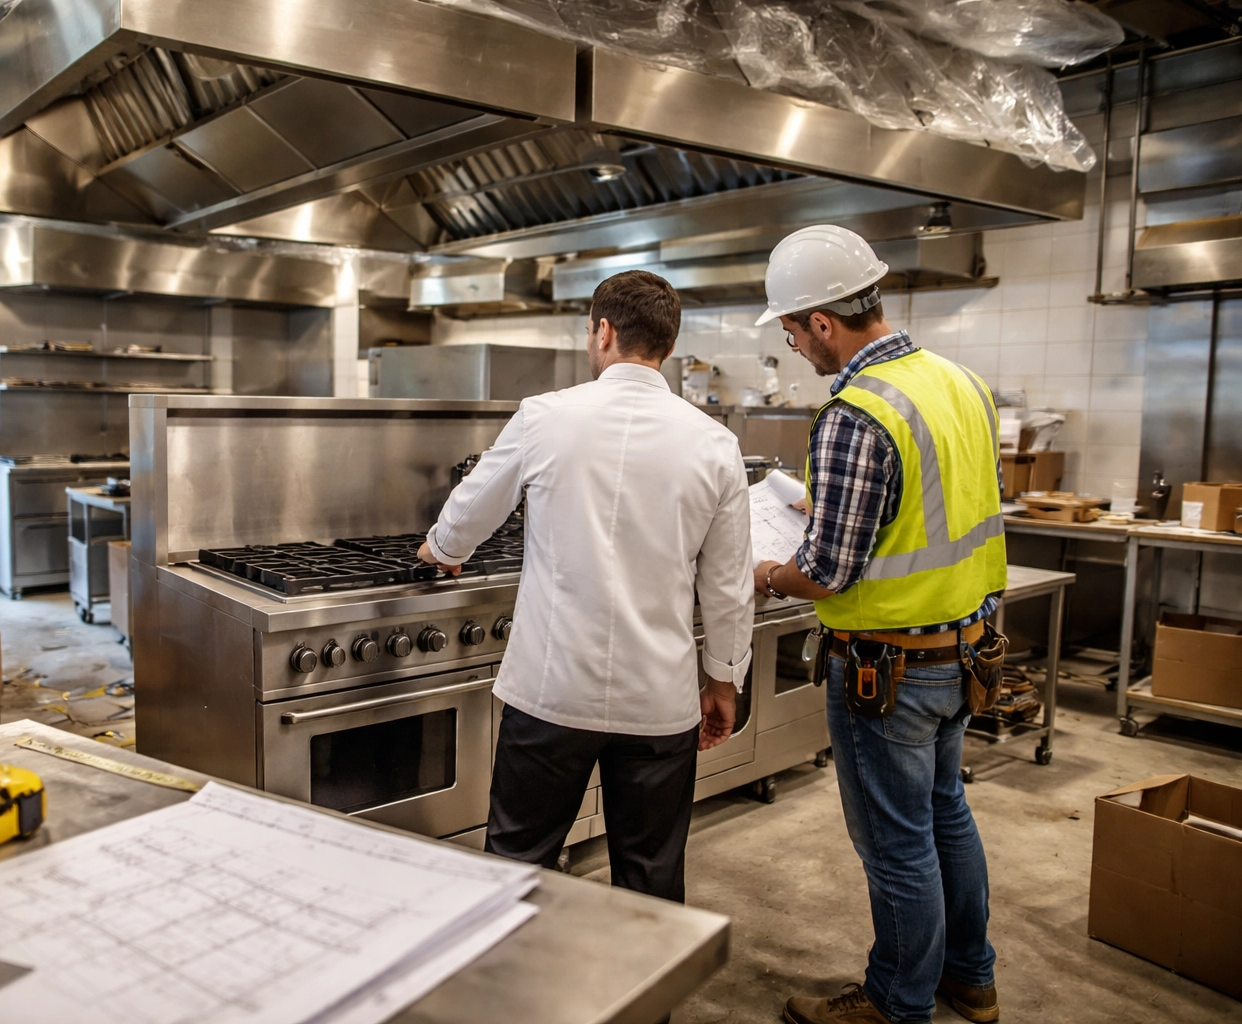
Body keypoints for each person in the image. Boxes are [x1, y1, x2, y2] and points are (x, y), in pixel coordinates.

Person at [417, 269, 755, 906]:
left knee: (518, 865)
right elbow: (730, 587)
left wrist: (442, 549)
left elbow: (468, 513)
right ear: (669, 346)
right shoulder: (716, 444)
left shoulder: (545, 416)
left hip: (551, 694)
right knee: (649, 881)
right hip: (659, 703)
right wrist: (723, 680)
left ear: (603, 332)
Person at [753, 226, 1007, 1024]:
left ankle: (898, 1004)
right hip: (965, 650)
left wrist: (766, 574)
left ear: (823, 322)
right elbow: (927, 508)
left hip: (887, 672)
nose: (794, 346)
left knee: (897, 845)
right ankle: (971, 976)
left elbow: (827, 571)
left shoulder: (855, 412)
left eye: (792, 330)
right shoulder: (960, 381)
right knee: (945, 815)